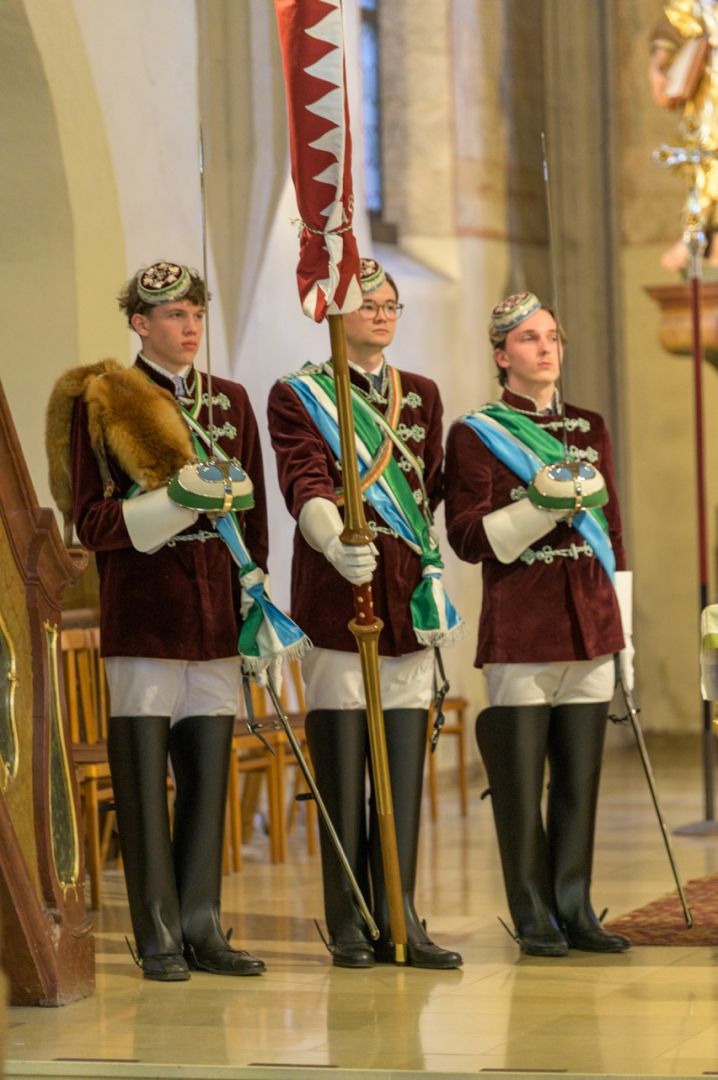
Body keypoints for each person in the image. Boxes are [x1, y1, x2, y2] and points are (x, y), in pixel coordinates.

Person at [47, 261, 269, 981]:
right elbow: (91, 518)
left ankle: (203, 925)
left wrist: (254, 599)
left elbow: (256, 518)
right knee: (144, 787)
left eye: (197, 313)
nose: (190, 326)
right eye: (174, 315)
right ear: (141, 324)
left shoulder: (231, 400)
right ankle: (157, 935)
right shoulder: (105, 400)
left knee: (209, 782)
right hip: (145, 614)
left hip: (214, 616)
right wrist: (178, 500)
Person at [267, 258, 462, 969]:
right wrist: (330, 537)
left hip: (405, 601)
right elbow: (302, 479)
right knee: (345, 765)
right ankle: (349, 915)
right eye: (367, 304)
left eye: (390, 304)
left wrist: (427, 576)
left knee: (403, 765)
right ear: (334, 315)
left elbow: (426, 489)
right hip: (336, 599)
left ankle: (400, 912)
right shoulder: (299, 394)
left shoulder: (424, 394)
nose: (381, 314)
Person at [444, 292, 633, 957]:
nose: (546, 348)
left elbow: (612, 534)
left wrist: (624, 635)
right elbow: (468, 537)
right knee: (522, 787)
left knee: (580, 783)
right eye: (528, 339)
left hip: (591, 626)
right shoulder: (477, 432)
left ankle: (575, 906)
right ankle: (532, 915)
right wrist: (539, 509)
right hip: (522, 630)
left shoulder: (591, 425)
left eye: (552, 336)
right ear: (502, 355)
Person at [649, 1, 718, 269]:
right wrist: (657, 68)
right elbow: (673, 25)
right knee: (703, 154)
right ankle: (695, 232)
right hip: (707, 92)